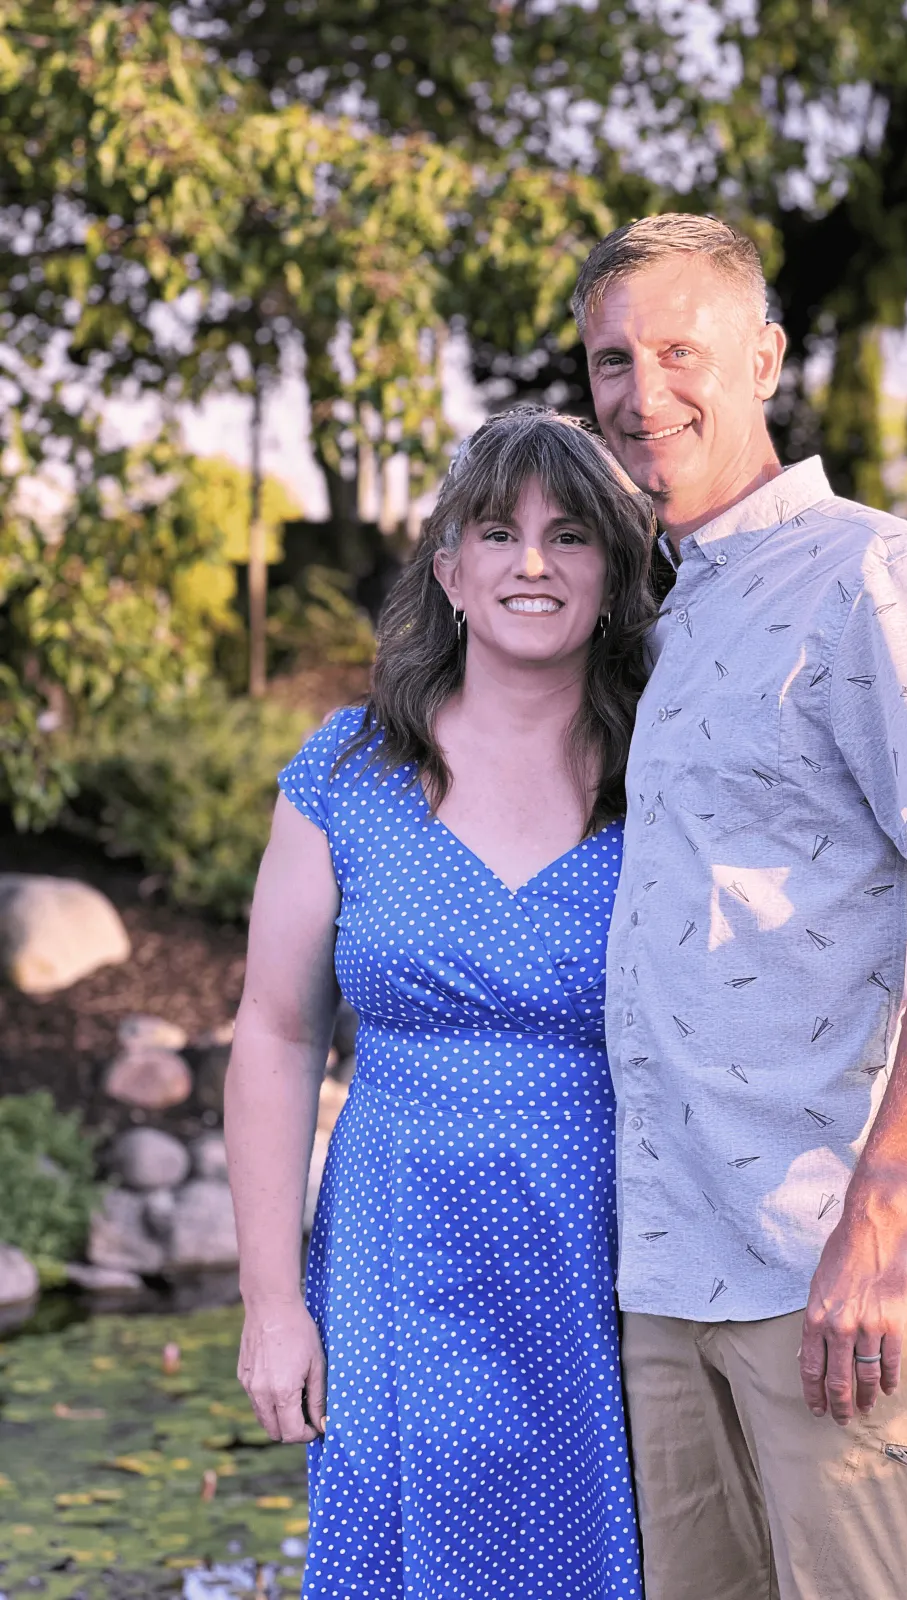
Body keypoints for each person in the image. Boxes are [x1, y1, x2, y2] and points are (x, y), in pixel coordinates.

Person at [576, 213, 907, 1599]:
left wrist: (881, 1216)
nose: (643, 392)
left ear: (765, 358)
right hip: (674, 1283)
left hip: (841, 1269)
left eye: (680, 350)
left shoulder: (875, 575)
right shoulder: (664, 616)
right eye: (611, 361)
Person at [224, 409, 656, 1600]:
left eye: (570, 535)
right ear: (451, 571)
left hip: (606, 1257)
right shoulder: (346, 770)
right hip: (389, 1252)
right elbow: (275, 1033)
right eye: (498, 533)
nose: (533, 563)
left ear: (612, 577)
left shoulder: (664, 776)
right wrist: (270, 1302)